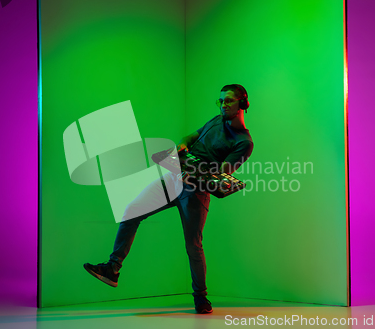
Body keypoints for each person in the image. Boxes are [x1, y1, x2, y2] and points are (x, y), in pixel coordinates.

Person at [83, 84, 254, 314]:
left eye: (228, 101)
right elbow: (192, 136)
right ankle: (113, 269)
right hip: (173, 178)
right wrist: (183, 145)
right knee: (131, 211)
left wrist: (193, 172)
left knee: (193, 246)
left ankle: (201, 299)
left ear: (242, 104)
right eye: (220, 100)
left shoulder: (243, 142)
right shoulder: (216, 119)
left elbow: (219, 175)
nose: (223, 105)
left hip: (195, 191)